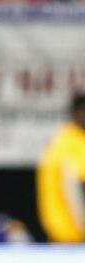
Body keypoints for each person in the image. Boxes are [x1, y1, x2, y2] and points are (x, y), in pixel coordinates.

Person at [37, 92, 85, 243]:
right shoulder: (69, 145)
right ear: (76, 112)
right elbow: (74, 191)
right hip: (73, 240)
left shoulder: (63, 140)